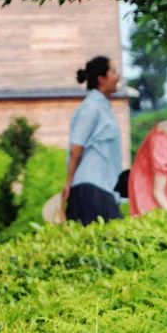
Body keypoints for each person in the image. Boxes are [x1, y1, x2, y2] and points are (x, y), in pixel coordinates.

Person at [61, 56, 124, 225]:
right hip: (90, 187)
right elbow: (76, 148)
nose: (118, 76)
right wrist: (68, 183)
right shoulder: (91, 107)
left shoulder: (103, 107)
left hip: (102, 187)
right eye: (113, 72)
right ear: (101, 79)